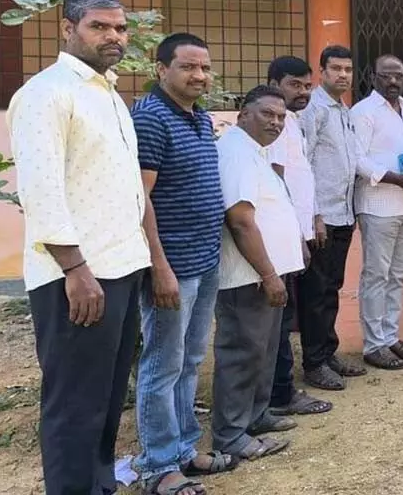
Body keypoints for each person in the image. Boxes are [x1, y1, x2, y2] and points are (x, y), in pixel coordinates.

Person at [6, 0, 152, 495]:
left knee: (108, 400)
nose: (114, 36)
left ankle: (99, 485)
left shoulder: (107, 93)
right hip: (78, 278)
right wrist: (75, 269)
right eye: (100, 26)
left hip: (121, 268)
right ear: (67, 29)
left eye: (120, 28)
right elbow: (41, 190)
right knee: (74, 405)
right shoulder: (47, 93)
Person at [131, 33, 234, 495]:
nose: (199, 76)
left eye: (205, 68)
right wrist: (159, 267)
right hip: (171, 266)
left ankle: (186, 448)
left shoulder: (197, 117)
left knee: (191, 359)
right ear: (161, 70)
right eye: (188, 67)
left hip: (204, 259)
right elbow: (141, 199)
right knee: (162, 364)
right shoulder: (151, 118)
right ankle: (158, 466)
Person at [212, 85, 306, 463]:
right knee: (242, 353)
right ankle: (231, 435)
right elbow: (240, 220)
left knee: (263, 351)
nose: (276, 122)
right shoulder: (235, 152)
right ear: (243, 115)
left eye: (281, 117)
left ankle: (256, 415)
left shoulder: (255, 152)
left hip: (267, 274)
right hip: (247, 276)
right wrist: (268, 274)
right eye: (267, 114)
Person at [350, 55, 403, 370]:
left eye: (398, 75)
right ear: (373, 77)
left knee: (397, 275)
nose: (393, 81)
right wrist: (393, 178)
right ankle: (373, 344)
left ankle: (390, 337)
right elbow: (356, 159)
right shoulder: (363, 112)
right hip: (379, 205)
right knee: (376, 276)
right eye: (386, 76)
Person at [265, 56, 332, 419]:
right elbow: (276, 182)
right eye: (295, 84)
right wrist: (297, 236)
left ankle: (280, 388)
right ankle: (280, 393)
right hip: (281, 237)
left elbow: (302, 177)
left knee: (285, 312)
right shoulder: (273, 123)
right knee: (280, 315)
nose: (303, 92)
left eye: (307, 85)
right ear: (275, 82)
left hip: (298, 231)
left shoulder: (292, 121)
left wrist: (314, 219)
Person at [297, 44, 366, 390]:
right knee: (316, 291)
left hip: (344, 211)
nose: (343, 75)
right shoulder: (314, 109)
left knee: (332, 288)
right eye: (336, 68)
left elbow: (351, 161)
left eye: (348, 69)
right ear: (321, 71)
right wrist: (314, 215)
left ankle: (328, 353)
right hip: (322, 216)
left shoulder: (344, 110)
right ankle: (314, 362)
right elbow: (302, 163)